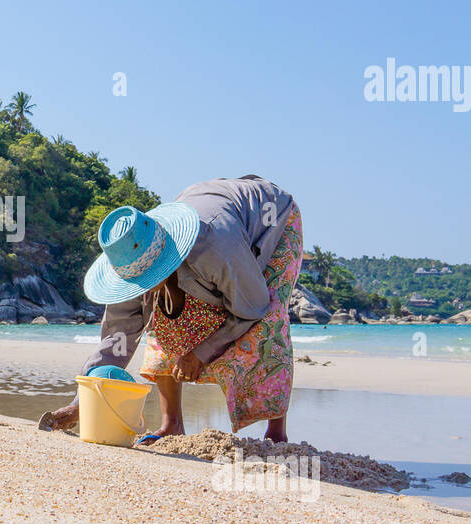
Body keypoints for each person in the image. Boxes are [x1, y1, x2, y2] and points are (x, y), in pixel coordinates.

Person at [40, 175, 303, 442]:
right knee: (163, 317)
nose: (141, 287)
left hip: (272, 220)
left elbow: (251, 306)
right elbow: (117, 338)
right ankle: (172, 424)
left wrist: (200, 353)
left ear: (164, 261)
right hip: (212, 214)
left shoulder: (215, 248)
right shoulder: (129, 254)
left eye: (148, 279)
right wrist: (80, 404)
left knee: (268, 316)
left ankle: (276, 433)